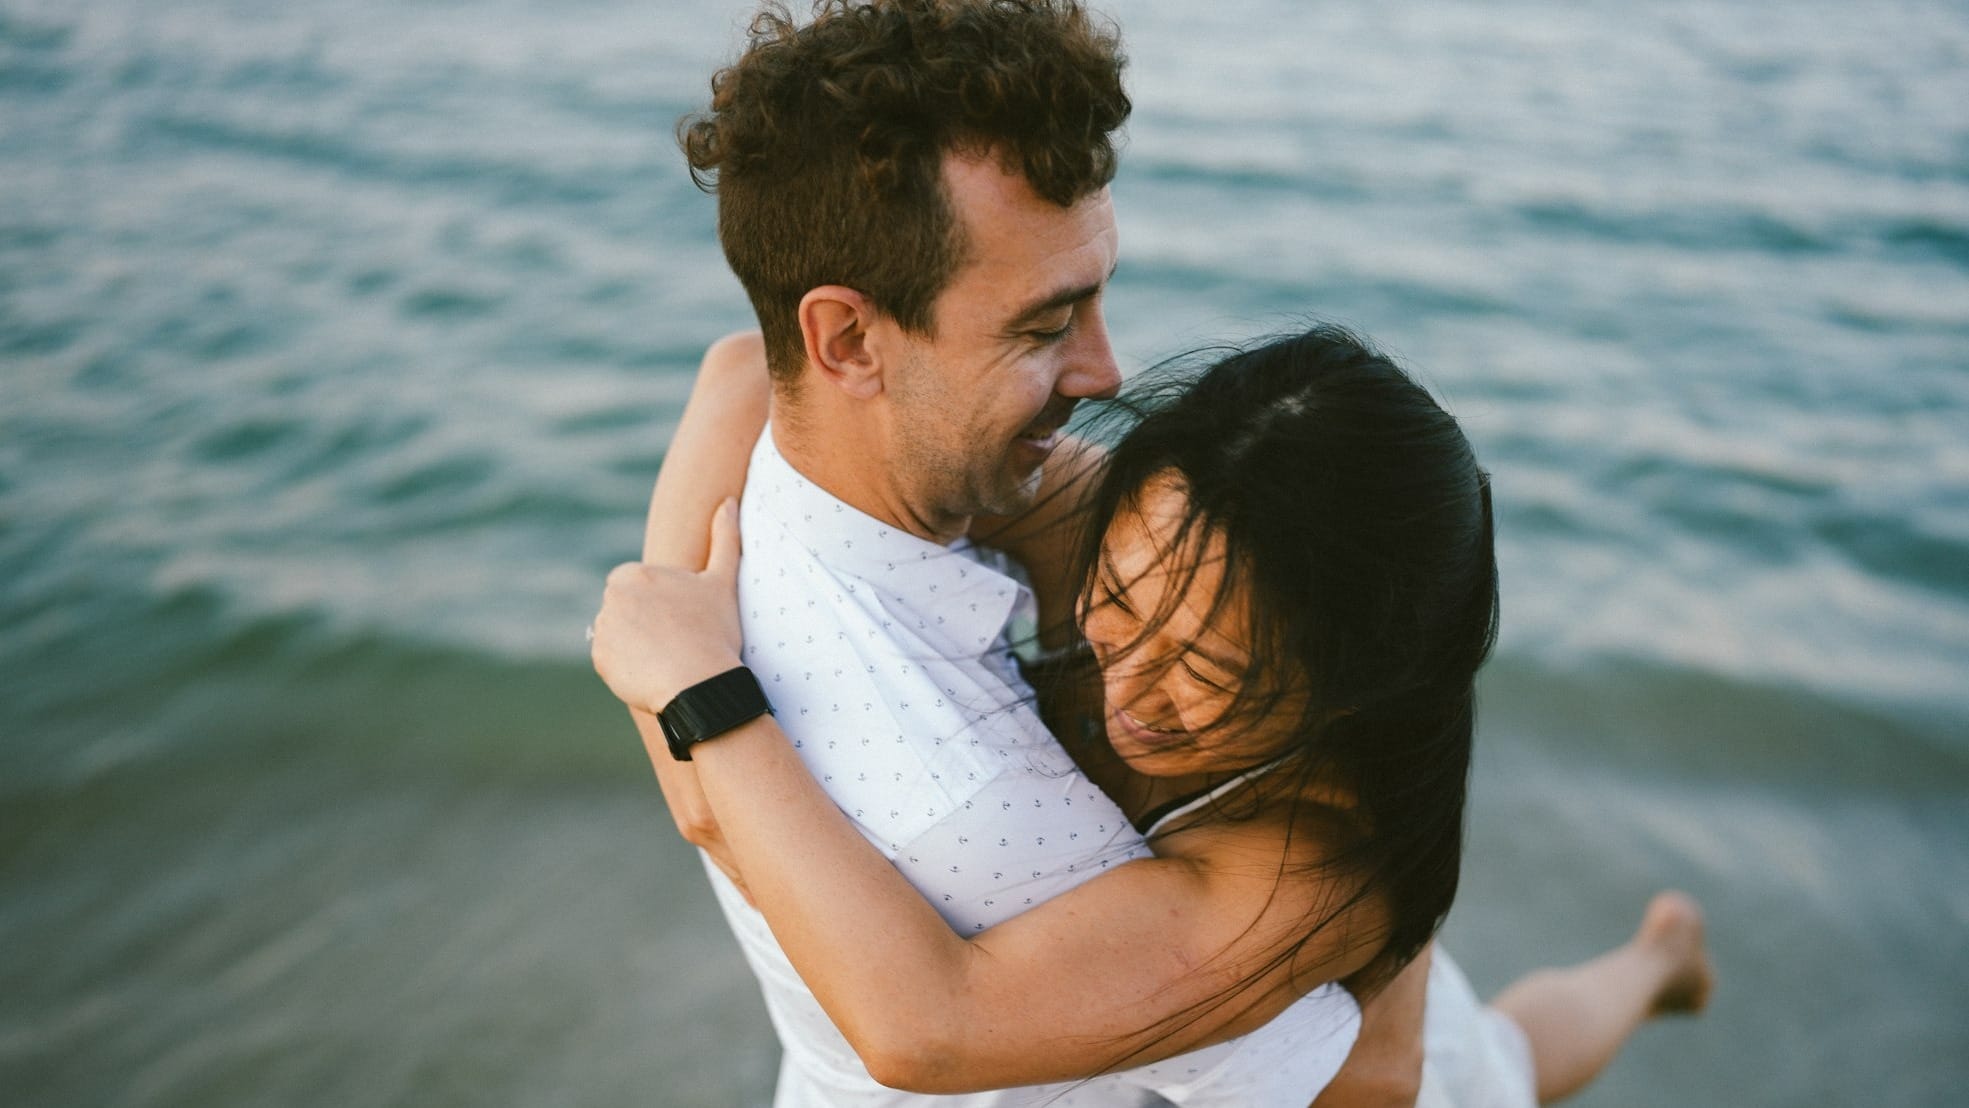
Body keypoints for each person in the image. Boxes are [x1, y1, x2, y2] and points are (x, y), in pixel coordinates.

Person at [618, 1, 1427, 1102]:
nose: (1105, 369)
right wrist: (1390, 847)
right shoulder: (998, 815)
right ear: (847, 338)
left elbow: (734, 370)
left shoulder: (784, 469)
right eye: (1045, 325)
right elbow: (1370, 1082)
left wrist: (685, 717)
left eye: (1096, 299)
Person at [591, 324, 1715, 1107]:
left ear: (1350, 688)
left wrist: (700, 697)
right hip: (1225, 1014)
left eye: (1210, 672)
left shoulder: (1303, 871)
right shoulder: (1161, 526)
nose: (1132, 686)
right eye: (1119, 605)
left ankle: (1658, 962)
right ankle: (1657, 953)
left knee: (1507, 1062)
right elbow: (753, 372)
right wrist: (669, 682)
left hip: (1401, 1087)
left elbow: (921, 1028)